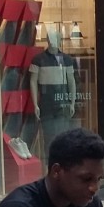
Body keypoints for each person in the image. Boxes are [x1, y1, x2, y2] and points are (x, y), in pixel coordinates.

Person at [28, 28, 77, 162]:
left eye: (56, 38)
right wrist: (35, 105)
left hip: (62, 102)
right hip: (46, 102)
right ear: (48, 40)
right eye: (51, 38)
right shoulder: (38, 59)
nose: (53, 41)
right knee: (49, 137)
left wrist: (72, 102)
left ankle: (63, 163)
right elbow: (33, 82)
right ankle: (51, 164)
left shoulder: (66, 59)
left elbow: (71, 82)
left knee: (63, 136)